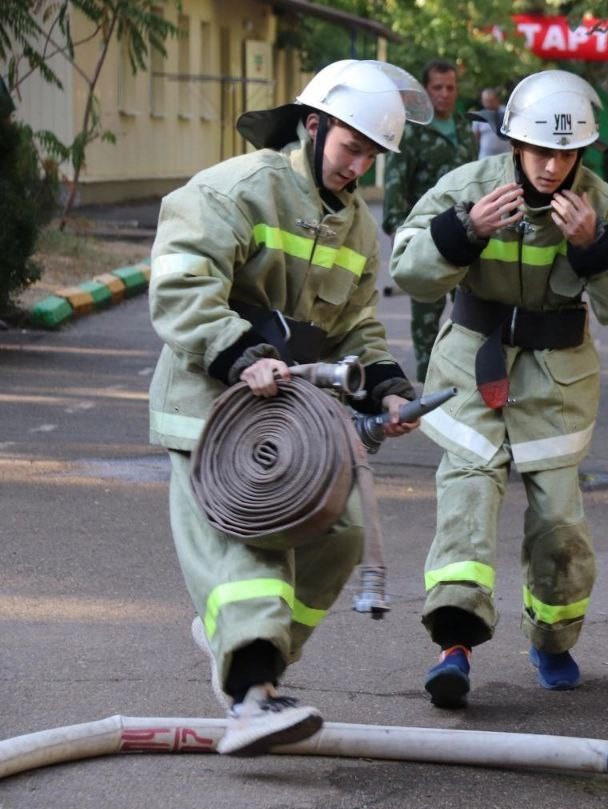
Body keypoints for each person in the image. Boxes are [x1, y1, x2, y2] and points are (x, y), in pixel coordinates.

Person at [148, 60, 428, 756]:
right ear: (313, 125)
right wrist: (242, 356)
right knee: (252, 553)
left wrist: (389, 386)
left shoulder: (358, 229)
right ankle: (250, 692)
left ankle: (248, 657)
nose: (358, 166)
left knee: (339, 537)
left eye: (371, 155)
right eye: (350, 147)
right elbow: (181, 287)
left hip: (290, 423)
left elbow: (357, 326)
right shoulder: (236, 190)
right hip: (211, 413)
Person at [390, 69, 608, 709]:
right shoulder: (467, 188)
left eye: (567, 153)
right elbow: (408, 269)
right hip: (468, 369)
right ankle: (453, 645)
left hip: (557, 380)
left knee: (559, 522)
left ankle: (553, 638)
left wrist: (595, 246)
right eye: (540, 151)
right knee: (468, 500)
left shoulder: (600, 204)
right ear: (514, 143)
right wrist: (466, 230)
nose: (552, 165)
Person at [383, 59, 479, 383]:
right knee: (426, 318)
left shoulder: (465, 127)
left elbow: (476, 179)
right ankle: (426, 385)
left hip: (468, 233)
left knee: (471, 313)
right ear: (426, 91)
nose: (444, 94)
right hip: (428, 238)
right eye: (437, 87)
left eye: (450, 87)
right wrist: (400, 234)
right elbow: (396, 184)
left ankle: (464, 380)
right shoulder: (412, 132)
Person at [471, 87, 512, 159]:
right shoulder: (479, 116)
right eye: (486, 101)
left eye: (491, 100)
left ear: (497, 99)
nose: (489, 103)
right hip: (486, 157)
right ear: (482, 102)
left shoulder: (507, 112)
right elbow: (476, 136)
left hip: (506, 155)